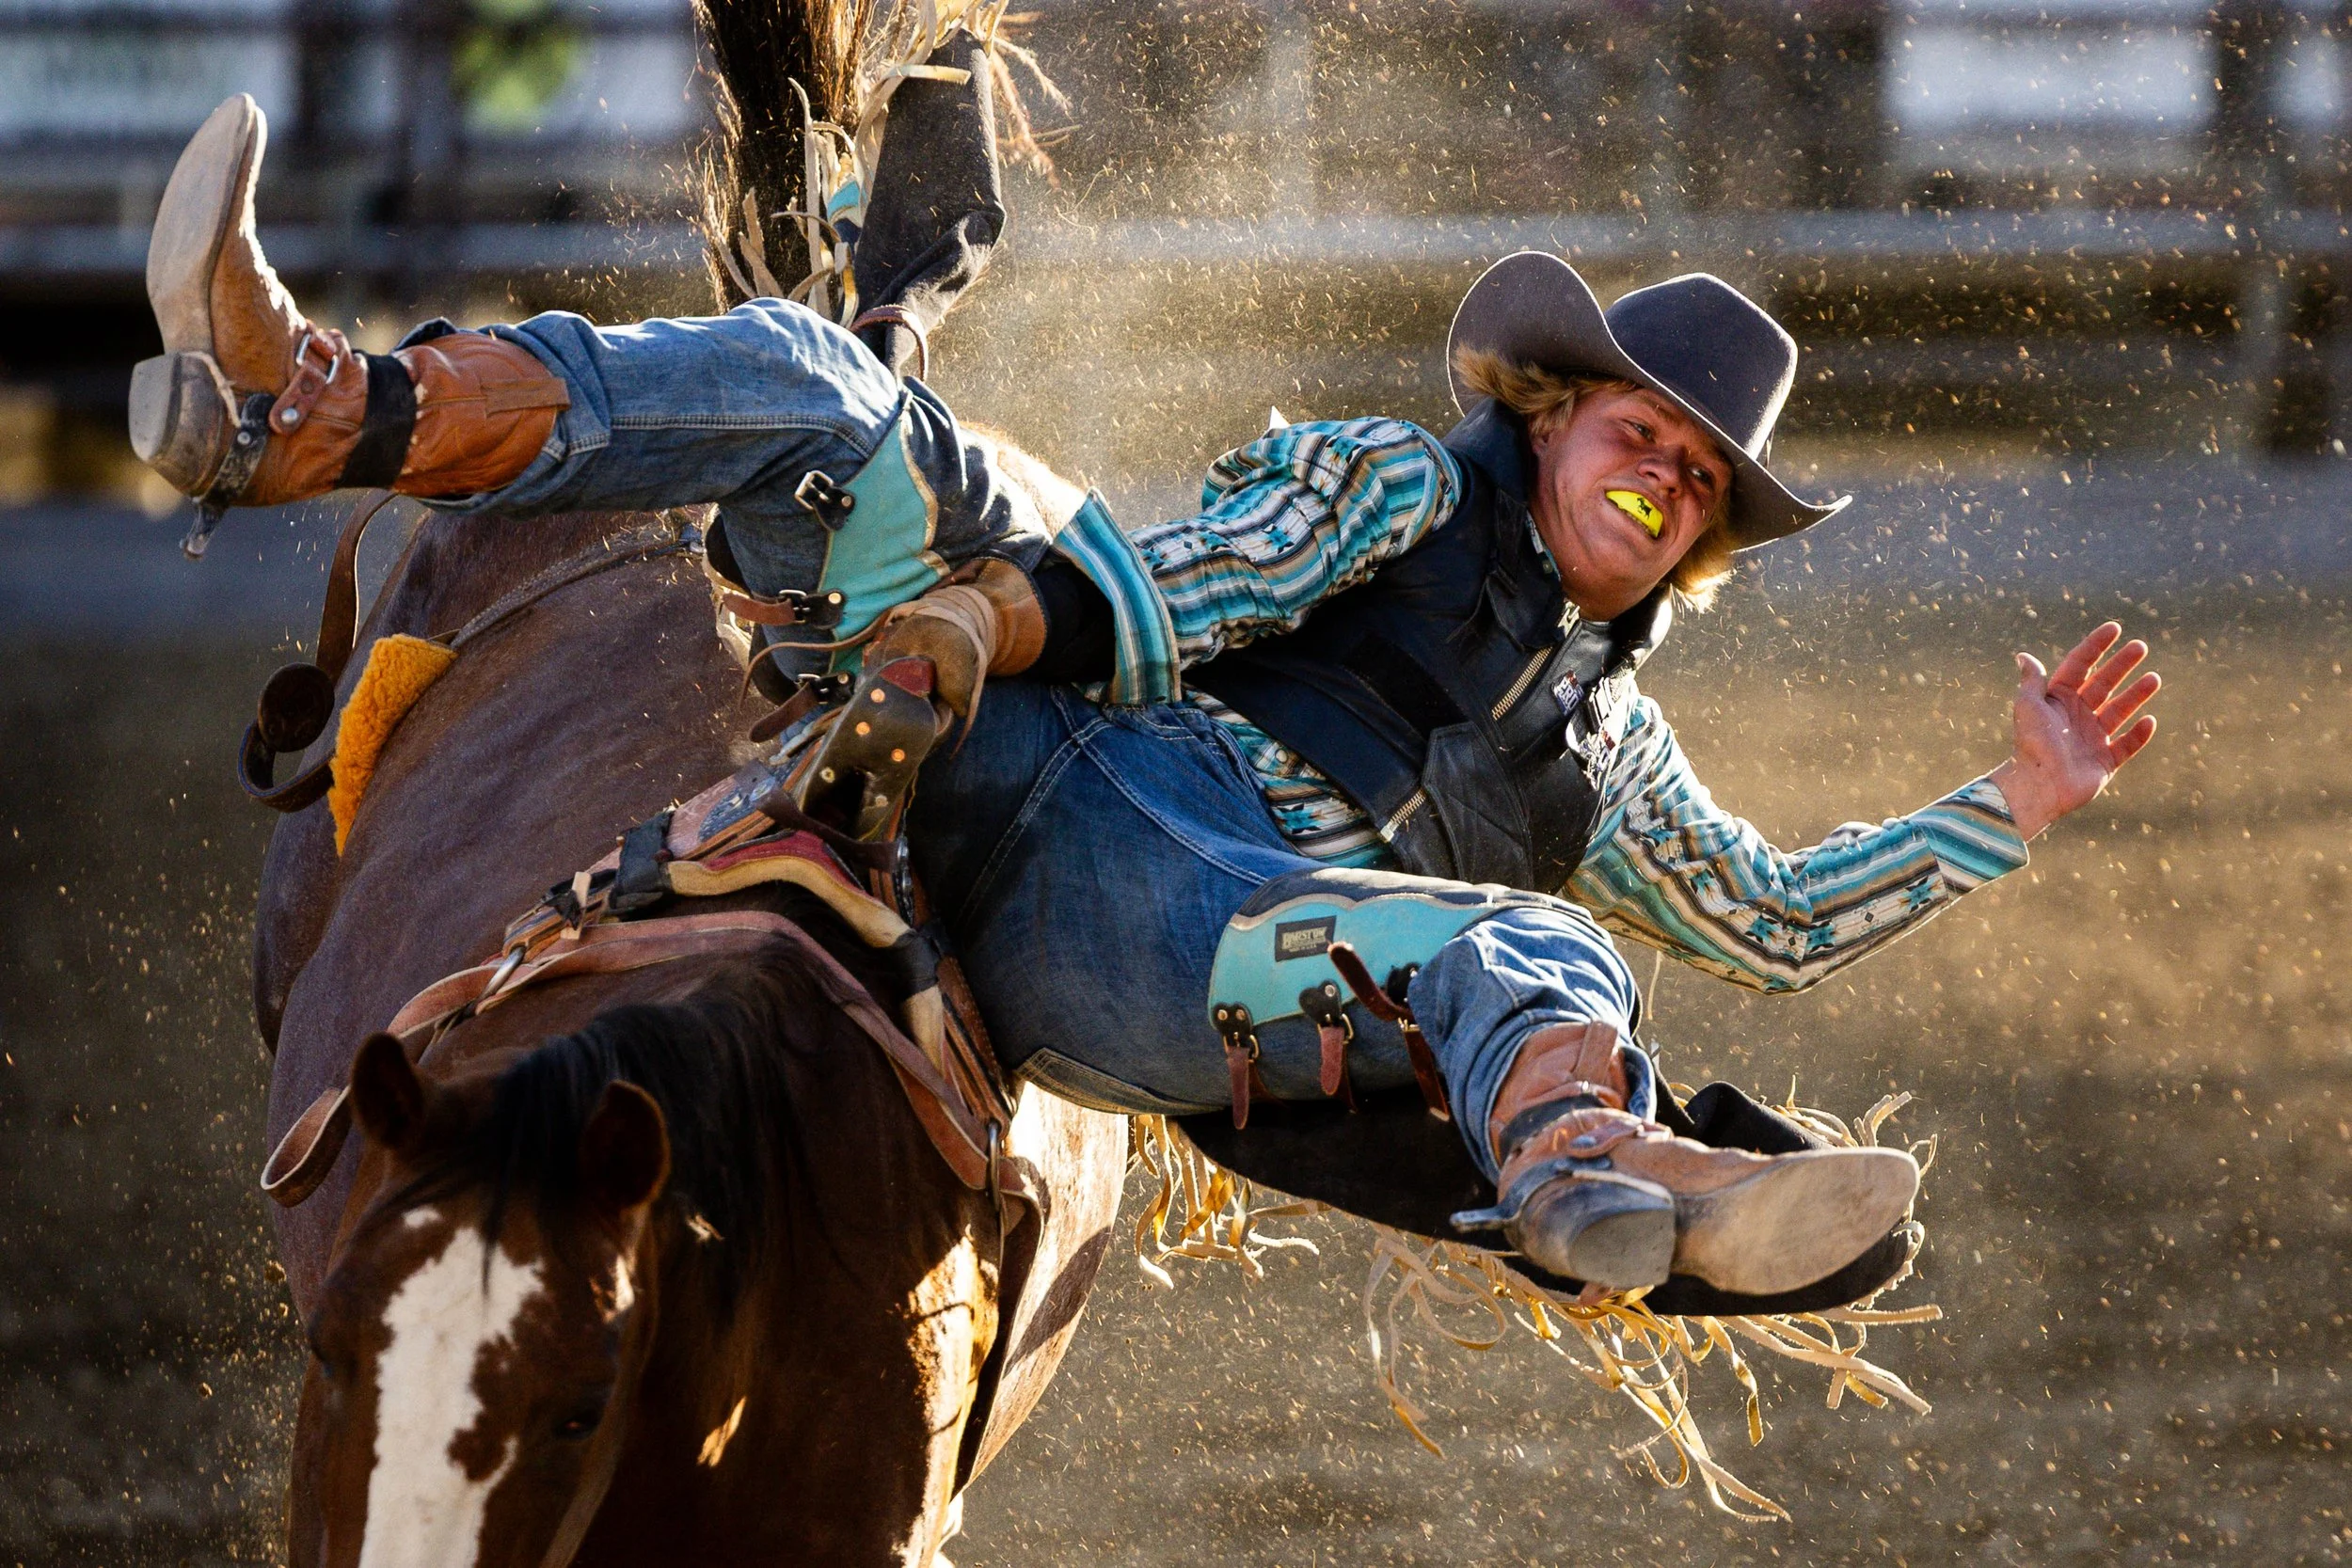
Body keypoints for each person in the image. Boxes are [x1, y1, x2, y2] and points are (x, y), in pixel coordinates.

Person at [132, 95, 2159, 1299]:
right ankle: (321, 409)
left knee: (1531, 944)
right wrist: (972, 628)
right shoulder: (1383, 480)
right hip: (1034, 734)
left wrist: (2007, 796)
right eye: (1642, 428)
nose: (1659, 477)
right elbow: (1176, 585)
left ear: (1698, 535)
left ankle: (1589, 1181)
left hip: (1196, 951)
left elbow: (1773, 919)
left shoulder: (1604, 756)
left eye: (1696, 481)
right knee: (836, 392)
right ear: (1553, 413)